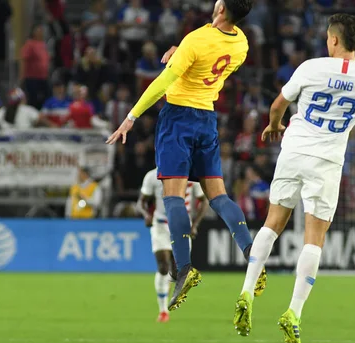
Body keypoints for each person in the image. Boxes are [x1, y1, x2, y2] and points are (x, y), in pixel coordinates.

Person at [234, 14, 355, 343]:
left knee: (272, 224)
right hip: (327, 163)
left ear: (333, 40)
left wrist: (274, 125)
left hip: (294, 150)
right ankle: (294, 312)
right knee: (314, 238)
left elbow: (277, 105)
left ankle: (246, 290)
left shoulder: (310, 68)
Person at [106, 0, 262, 312]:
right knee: (217, 195)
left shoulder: (197, 41)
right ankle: (252, 253)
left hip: (178, 118)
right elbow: (208, 51)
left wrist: (131, 118)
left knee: (173, 196)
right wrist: (181, 50)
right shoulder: (241, 43)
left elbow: (163, 82)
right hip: (207, 118)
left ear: (220, 8)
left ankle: (184, 268)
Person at [137, 167, 209, 323]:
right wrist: (147, 214)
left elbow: (204, 201)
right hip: (160, 225)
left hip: (182, 226)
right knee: (163, 266)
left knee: (177, 272)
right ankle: (163, 310)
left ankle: (168, 290)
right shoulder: (153, 175)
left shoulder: (191, 176)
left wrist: (195, 224)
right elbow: (141, 202)